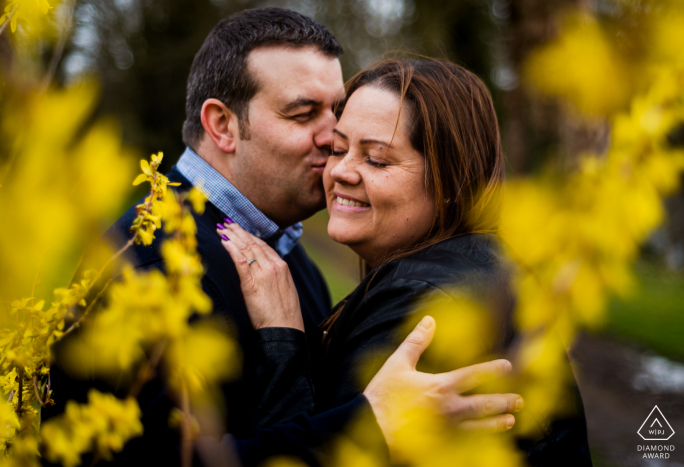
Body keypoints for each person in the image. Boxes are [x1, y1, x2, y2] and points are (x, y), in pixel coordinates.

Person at [46, 8, 523, 467]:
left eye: (335, 108)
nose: (334, 133)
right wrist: (370, 424)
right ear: (223, 125)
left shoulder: (290, 260)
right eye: (302, 114)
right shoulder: (156, 268)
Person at [218, 58, 593, 466]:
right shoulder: (478, 263)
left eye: (377, 159)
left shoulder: (422, 307)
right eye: (338, 148)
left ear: (451, 183)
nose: (341, 171)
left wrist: (281, 340)